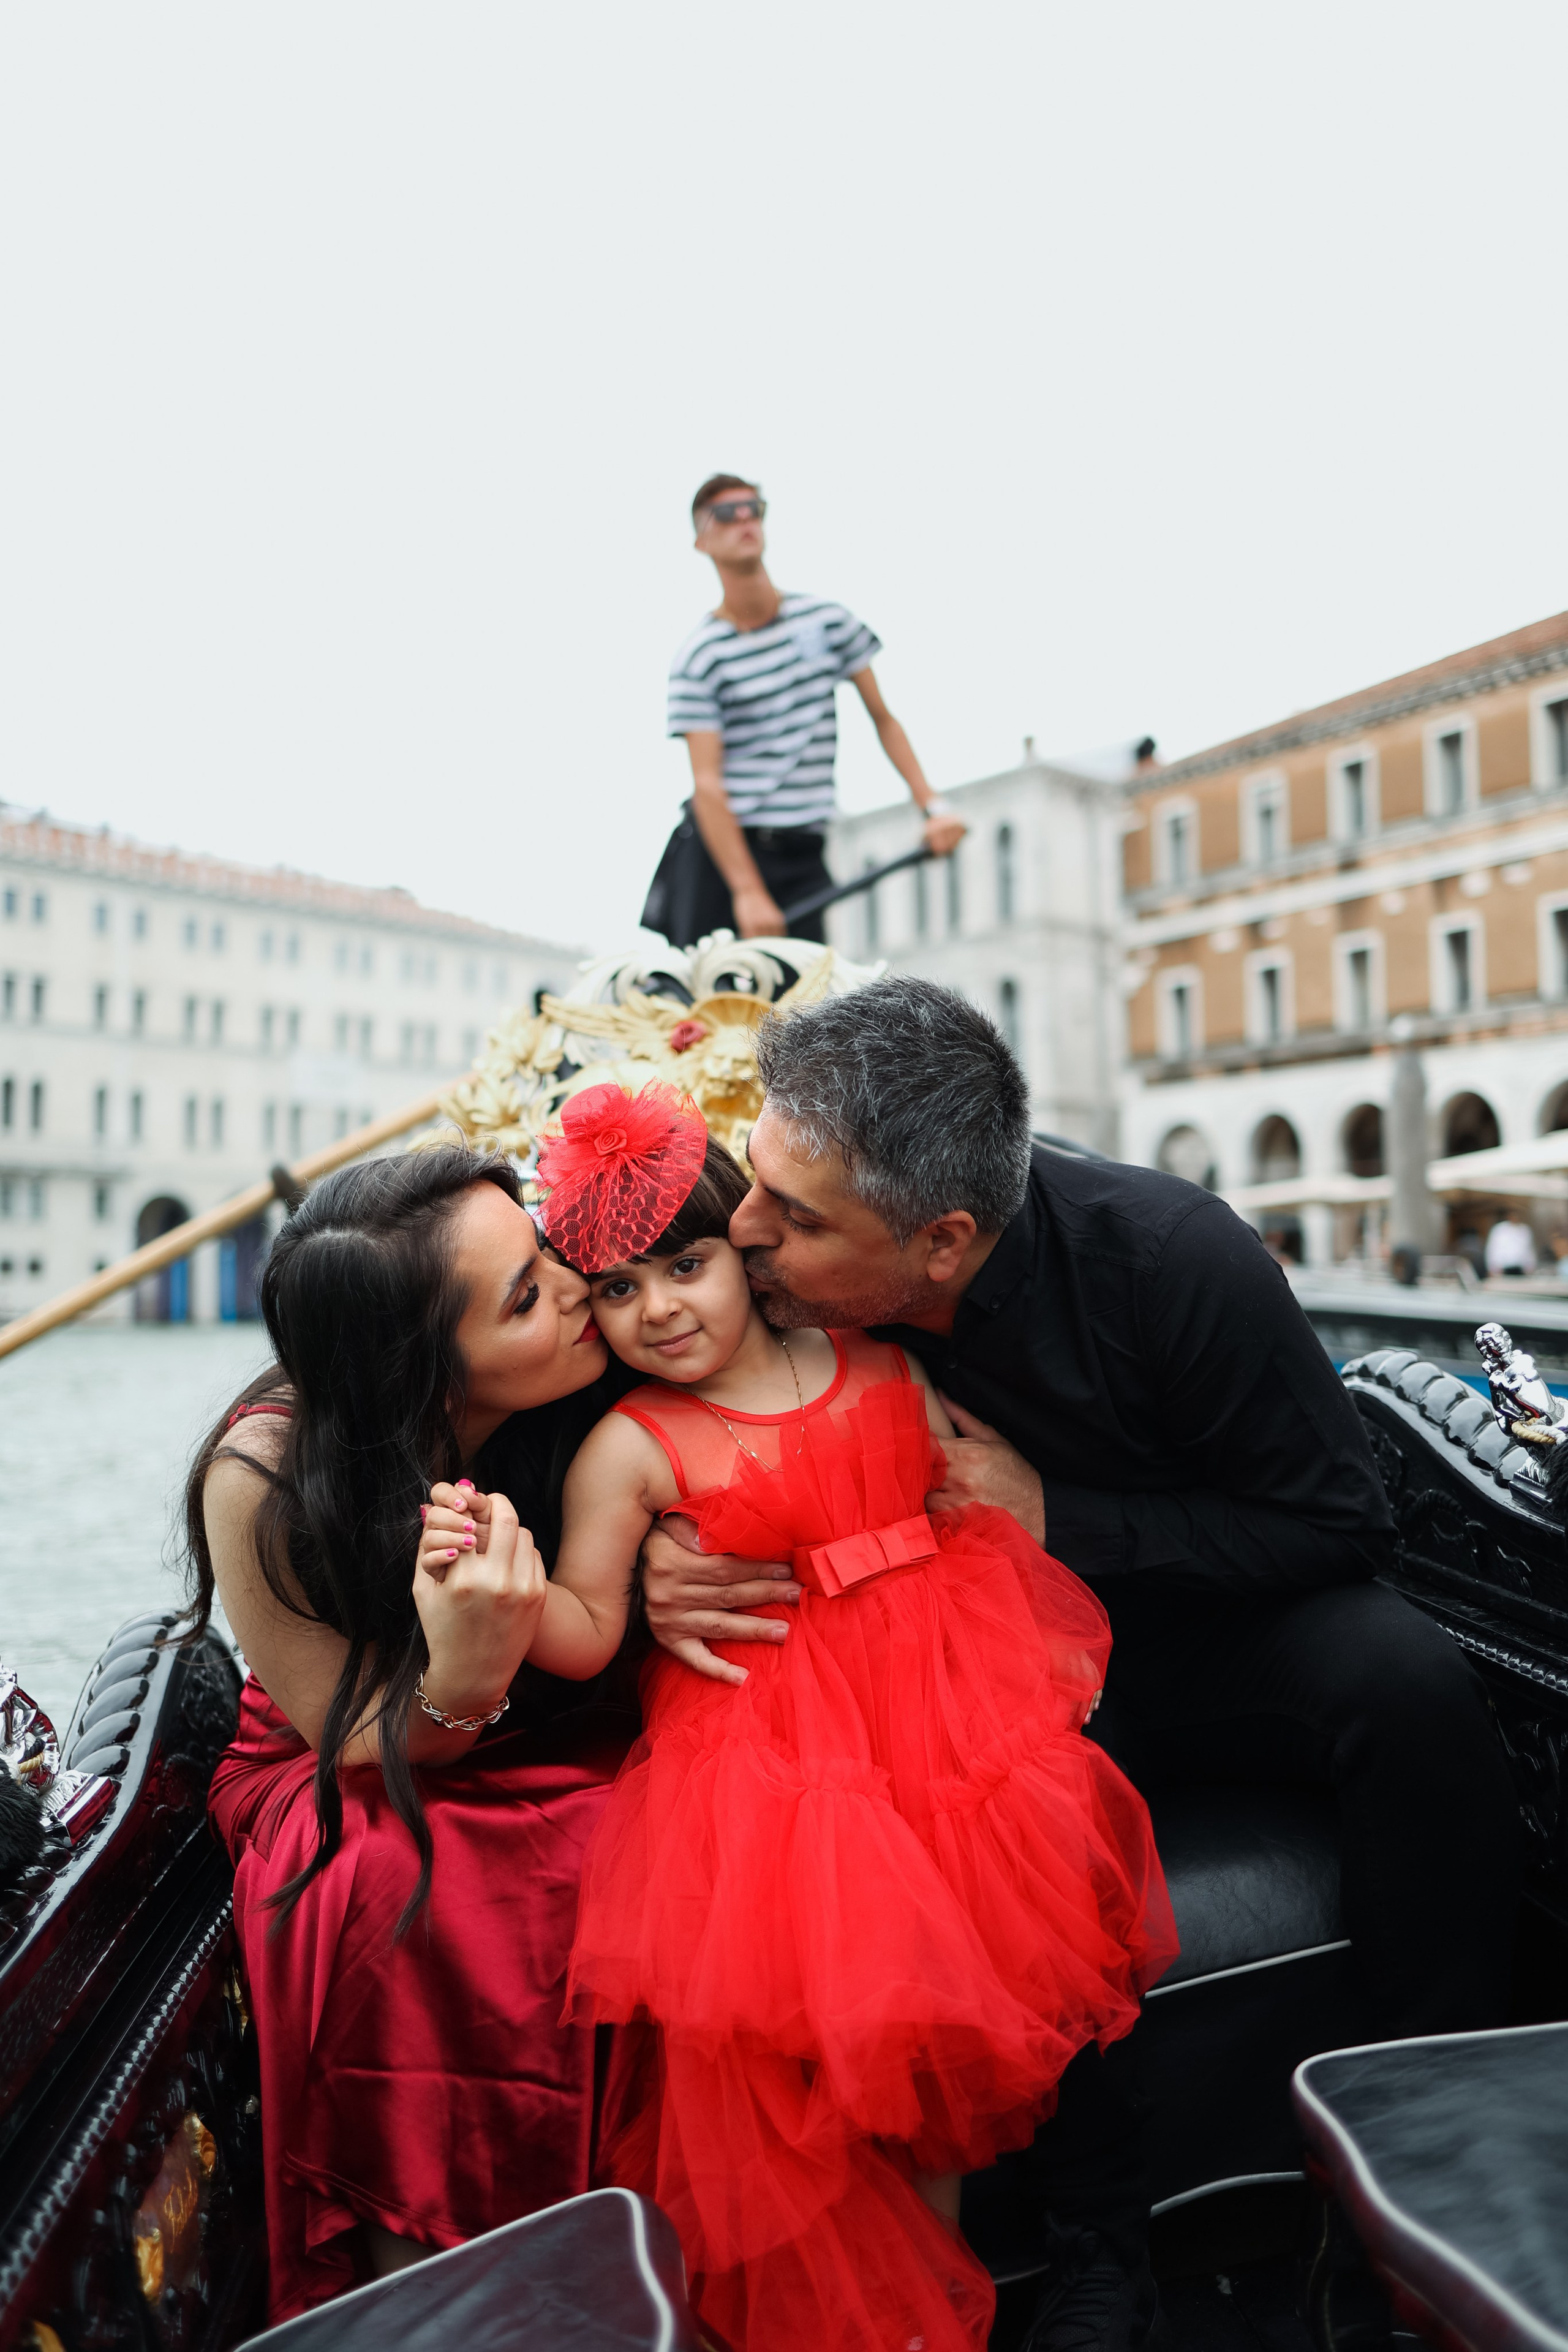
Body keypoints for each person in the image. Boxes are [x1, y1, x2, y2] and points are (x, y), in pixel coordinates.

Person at [637, 974, 1524, 2352]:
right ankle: (1092, 2241)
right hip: (956, 1665)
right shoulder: (750, 1279)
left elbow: (1334, 1520)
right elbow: (630, 1430)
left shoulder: (1170, 1258)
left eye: (796, 1219)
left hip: (1201, 1634)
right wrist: (653, 1563)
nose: (742, 1231)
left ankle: (1435, 2139)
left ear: (939, 1245)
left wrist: (1060, 1521)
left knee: (1401, 1682)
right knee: (1000, 1793)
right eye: (759, 1186)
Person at [422, 1081, 1175, 2352]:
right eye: (614, 1289)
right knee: (824, 2074)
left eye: (687, 1264)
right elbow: (590, 1625)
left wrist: (1027, 1656)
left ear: (744, 1252)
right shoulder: (632, 1447)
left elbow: (970, 1524)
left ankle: (948, 2300)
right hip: (771, 1771)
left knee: (936, 2062)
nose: (659, 1308)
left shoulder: (884, 1362)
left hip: (941, 1742)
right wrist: (493, 1571)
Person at [187, 1146, 640, 2322]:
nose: (580, 1287)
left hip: (551, 1708)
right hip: (342, 1746)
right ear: (425, 1380)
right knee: (401, 1876)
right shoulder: (264, 1470)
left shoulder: (608, 1350)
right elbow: (342, 1735)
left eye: (544, 1250)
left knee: (680, 1820)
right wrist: (471, 1669)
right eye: (528, 1296)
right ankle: (444, 2282)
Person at [651, 472, 965, 947]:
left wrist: (933, 807)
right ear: (702, 540)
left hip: (804, 850)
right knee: (710, 1015)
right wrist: (748, 892)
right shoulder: (701, 656)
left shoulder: (827, 622)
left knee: (808, 1011)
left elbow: (883, 719)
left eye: (752, 508)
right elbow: (708, 787)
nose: (743, 520)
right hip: (724, 860)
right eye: (725, 514)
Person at [1485, 1212, 1537, 1277]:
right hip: (1503, 1268)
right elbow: (1492, 1249)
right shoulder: (1499, 1229)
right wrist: (1492, 1267)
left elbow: (1529, 1249)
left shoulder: (1525, 1230)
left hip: (1521, 1268)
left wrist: (1531, 1265)